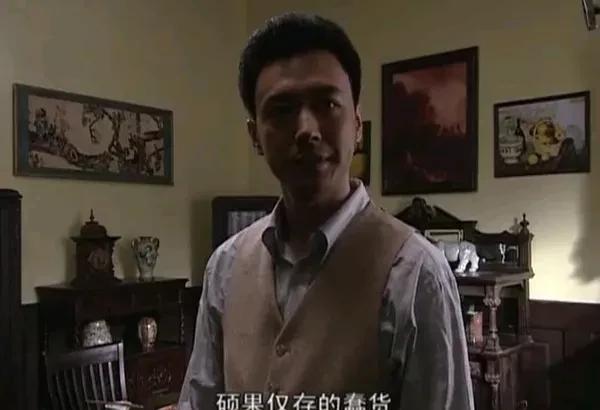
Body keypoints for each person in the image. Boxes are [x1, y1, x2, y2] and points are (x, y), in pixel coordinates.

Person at [178, 12, 474, 410]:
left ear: (357, 124)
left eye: (327, 103)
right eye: (281, 110)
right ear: (255, 136)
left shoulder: (416, 274)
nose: (306, 129)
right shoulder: (225, 268)